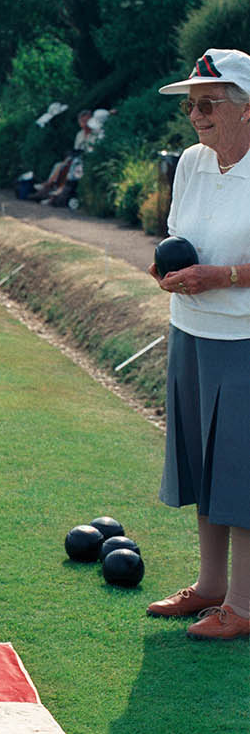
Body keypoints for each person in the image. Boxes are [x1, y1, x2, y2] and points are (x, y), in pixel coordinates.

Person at [145, 49, 250, 640]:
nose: (195, 114)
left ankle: (244, 604)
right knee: (205, 460)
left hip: (245, 335)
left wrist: (225, 277)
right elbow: (176, 237)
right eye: (191, 104)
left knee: (241, 467)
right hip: (190, 327)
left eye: (208, 103)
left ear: (248, 107)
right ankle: (210, 587)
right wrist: (164, 271)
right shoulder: (191, 162)